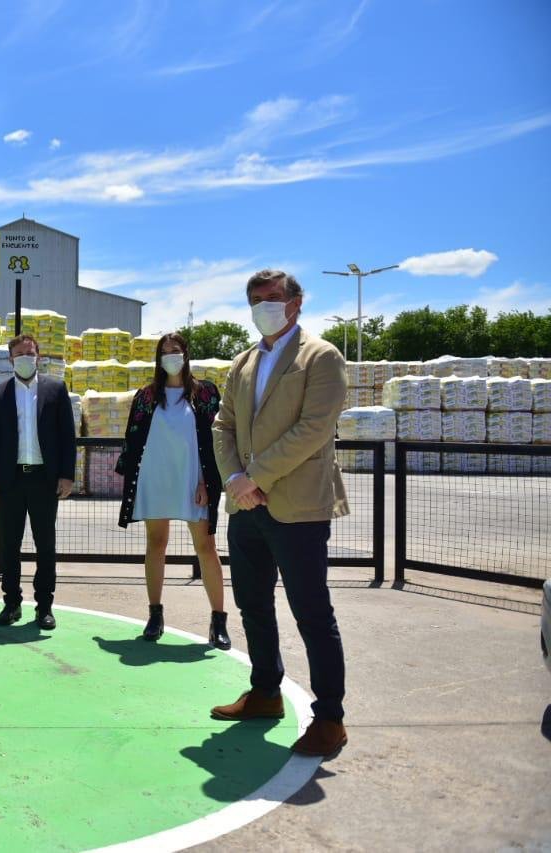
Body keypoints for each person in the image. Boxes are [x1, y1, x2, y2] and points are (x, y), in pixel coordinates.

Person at [211, 269, 350, 759]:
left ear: (296, 302)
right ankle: (265, 691)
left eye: (272, 297)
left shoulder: (321, 356)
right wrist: (235, 479)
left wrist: (255, 477)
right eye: (255, 299)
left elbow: (314, 428)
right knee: (252, 604)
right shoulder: (244, 361)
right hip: (246, 504)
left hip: (297, 506)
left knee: (311, 611)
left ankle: (330, 718)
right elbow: (223, 426)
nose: (263, 306)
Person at [115, 332, 231, 650]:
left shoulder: (205, 393)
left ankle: (218, 620)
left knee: (206, 546)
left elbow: (217, 440)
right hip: (155, 479)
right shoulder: (146, 396)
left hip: (194, 481)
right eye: (164, 351)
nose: (170, 356)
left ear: (186, 354)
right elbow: (132, 437)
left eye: (175, 350)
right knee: (156, 543)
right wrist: (129, 479)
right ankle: (155, 615)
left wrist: (209, 482)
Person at [0, 334, 77, 630]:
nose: (26, 358)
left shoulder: (55, 389)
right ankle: (11, 604)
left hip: (44, 480)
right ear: (10, 359)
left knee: (45, 545)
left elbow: (67, 436)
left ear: (39, 356)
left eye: (30, 352)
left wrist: (67, 475)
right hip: (10, 481)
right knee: (9, 545)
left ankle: (44, 607)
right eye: (20, 354)